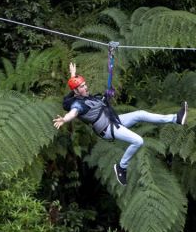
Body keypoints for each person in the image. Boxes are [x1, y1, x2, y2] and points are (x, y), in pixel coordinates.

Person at [53, 62, 188, 186]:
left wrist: (73, 76)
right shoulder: (77, 104)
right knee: (138, 141)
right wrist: (65, 119)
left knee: (139, 114)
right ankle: (121, 167)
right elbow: (73, 113)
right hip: (107, 129)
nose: (86, 87)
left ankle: (176, 118)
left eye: (85, 84)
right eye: (82, 87)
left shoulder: (84, 96)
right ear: (76, 92)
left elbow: (77, 90)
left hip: (113, 120)